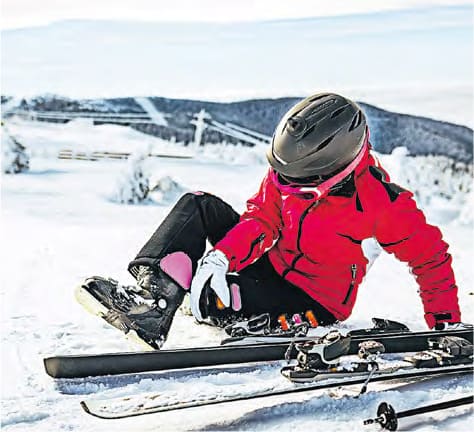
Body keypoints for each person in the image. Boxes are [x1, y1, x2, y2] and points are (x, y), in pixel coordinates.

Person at [76, 93, 464, 350]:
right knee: (198, 205)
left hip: (311, 300)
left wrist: (446, 325)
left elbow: (430, 259)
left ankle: (200, 301)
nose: (286, 185)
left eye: (298, 180)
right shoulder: (286, 175)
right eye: (282, 175)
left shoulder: (382, 203)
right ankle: (154, 304)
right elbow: (263, 219)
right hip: (270, 265)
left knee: (213, 302)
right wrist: (222, 257)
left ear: (337, 165)